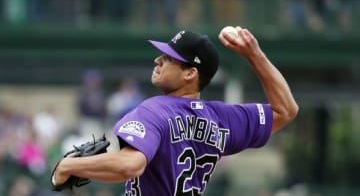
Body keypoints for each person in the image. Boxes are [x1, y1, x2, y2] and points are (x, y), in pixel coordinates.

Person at [52, 27, 299, 195]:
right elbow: (285, 110)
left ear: (191, 73)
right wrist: (254, 54)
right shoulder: (222, 119)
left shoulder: (154, 110)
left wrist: (68, 166)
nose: (157, 61)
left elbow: (130, 165)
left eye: (168, 59)